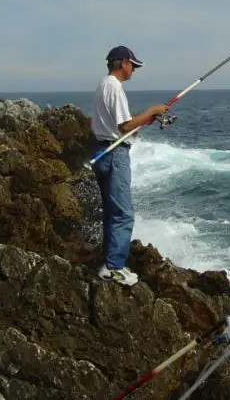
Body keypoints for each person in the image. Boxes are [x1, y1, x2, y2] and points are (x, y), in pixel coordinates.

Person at [90, 45, 167, 287]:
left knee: (112, 213)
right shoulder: (114, 87)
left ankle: (110, 262)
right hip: (115, 155)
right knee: (123, 214)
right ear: (122, 63)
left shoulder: (104, 84)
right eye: (133, 65)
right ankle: (114, 267)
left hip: (102, 151)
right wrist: (152, 111)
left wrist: (146, 119)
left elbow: (121, 125)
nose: (134, 69)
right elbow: (124, 127)